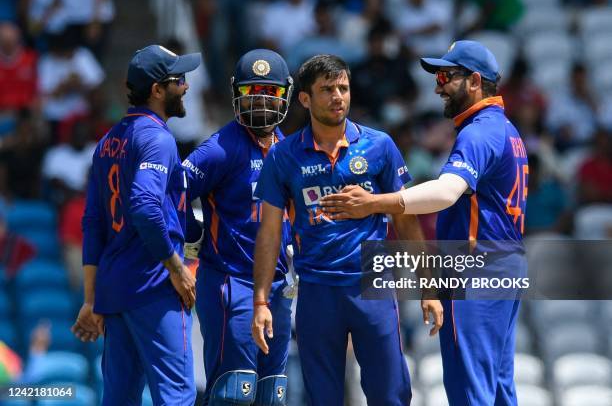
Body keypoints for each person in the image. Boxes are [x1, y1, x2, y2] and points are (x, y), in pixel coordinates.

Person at [319, 40, 528, 405]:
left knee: (471, 390)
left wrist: (374, 203)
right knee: (497, 389)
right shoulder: (507, 130)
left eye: (446, 76)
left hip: (475, 267)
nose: (438, 86)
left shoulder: (479, 132)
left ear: (475, 81)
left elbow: (447, 191)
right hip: (504, 264)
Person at [251, 54, 443, 406]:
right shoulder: (282, 157)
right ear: (305, 99)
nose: (338, 96)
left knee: (391, 395)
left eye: (343, 87)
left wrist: (428, 287)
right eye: (327, 89)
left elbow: (404, 218)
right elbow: (269, 233)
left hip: (371, 287)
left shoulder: (380, 145)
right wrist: (261, 300)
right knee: (323, 398)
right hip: (317, 290)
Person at [71, 44, 200, 405]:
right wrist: (176, 268)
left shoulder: (107, 142)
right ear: (158, 90)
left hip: (116, 292)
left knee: (119, 399)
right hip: (155, 286)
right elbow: (144, 207)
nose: (187, 86)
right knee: (176, 398)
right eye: (179, 79)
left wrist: (91, 297)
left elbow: (94, 222)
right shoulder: (157, 138)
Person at [182, 48, 294, 406]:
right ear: (236, 93)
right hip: (232, 284)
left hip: (278, 288)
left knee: (271, 394)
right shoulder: (219, 149)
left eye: (270, 92)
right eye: (252, 92)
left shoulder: (289, 151)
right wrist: (191, 234)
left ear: (287, 95)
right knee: (233, 392)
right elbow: (171, 196)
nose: (261, 102)